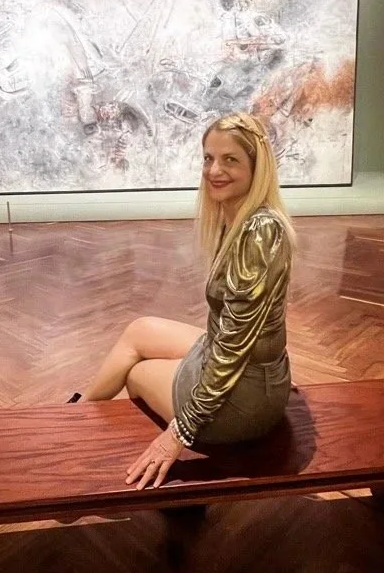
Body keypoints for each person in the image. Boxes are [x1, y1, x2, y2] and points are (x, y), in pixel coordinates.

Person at [71, 111, 296, 489]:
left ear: (257, 168)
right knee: (139, 330)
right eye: (208, 158)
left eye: (230, 160)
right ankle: (71, 417)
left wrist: (177, 435)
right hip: (257, 371)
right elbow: (241, 330)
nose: (214, 170)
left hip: (246, 398)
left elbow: (231, 351)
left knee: (135, 374)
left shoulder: (258, 231)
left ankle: (75, 436)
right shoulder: (246, 217)